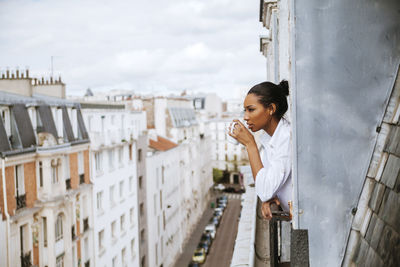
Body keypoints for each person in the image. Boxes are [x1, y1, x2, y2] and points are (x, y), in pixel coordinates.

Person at [229, 80, 292, 220]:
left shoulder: (286, 138)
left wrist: (250, 144)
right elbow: (265, 183)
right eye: (245, 110)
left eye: (251, 110)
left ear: (271, 109)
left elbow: (264, 191)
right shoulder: (270, 139)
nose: (245, 117)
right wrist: (270, 198)